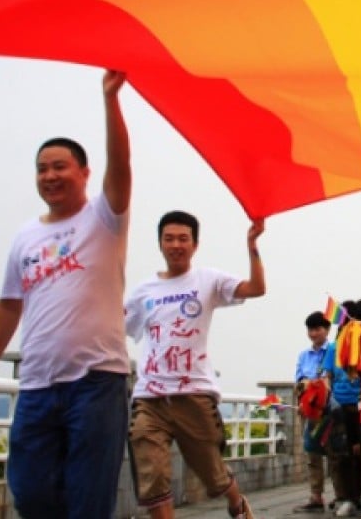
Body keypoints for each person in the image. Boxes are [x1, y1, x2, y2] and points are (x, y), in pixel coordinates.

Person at [0, 70, 131, 518]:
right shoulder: (25, 236)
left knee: (88, 499)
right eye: (42, 169)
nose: (49, 175)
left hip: (96, 381)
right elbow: (9, 304)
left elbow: (122, 166)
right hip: (38, 383)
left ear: (84, 172)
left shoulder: (104, 219)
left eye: (60, 166)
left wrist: (111, 100)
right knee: (30, 491)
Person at [125, 211, 265, 519]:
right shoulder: (143, 292)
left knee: (213, 475)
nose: (176, 245)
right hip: (150, 398)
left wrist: (253, 247)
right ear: (160, 243)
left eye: (183, 239)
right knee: (152, 479)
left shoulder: (208, 280)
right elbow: (115, 327)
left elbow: (256, 288)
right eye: (169, 239)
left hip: (194, 395)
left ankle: (237, 504)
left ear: (195, 244)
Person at [324, 301, 361, 518]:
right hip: (338, 407)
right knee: (341, 455)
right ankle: (347, 498)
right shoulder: (333, 347)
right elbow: (327, 376)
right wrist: (329, 398)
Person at [297, 311, 333, 512]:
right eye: (310, 329)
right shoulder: (304, 356)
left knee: (335, 454)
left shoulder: (333, 351)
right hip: (310, 411)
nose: (313, 333)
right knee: (312, 453)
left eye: (317, 329)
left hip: (329, 410)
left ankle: (342, 494)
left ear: (327, 330)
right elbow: (299, 380)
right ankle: (316, 495)